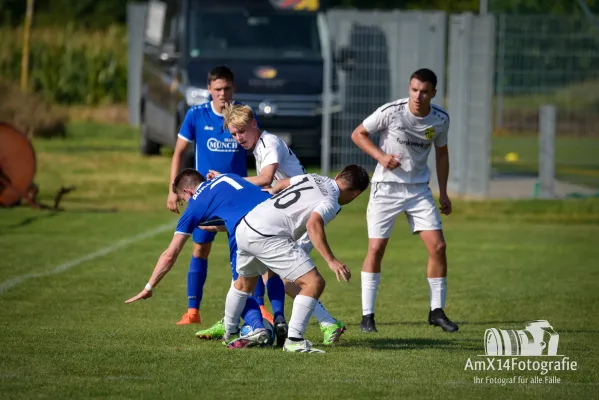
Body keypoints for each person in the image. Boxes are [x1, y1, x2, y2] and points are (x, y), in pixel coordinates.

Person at [203, 103, 347, 346]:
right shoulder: (260, 146)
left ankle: (319, 324)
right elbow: (267, 191)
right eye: (234, 134)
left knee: (292, 279)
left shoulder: (269, 144)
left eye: (241, 132)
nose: (238, 138)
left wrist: (228, 180)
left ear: (253, 125)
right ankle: (260, 320)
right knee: (273, 274)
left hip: (298, 220)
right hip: (285, 219)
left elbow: (266, 179)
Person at [350, 68, 458, 333]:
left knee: (439, 247)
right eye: (414, 90)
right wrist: (381, 157)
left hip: (419, 190)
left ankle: (436, 311)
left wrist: (443, 192)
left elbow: (442, 155)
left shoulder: (440, 119)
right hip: (386, 188)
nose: (418, 96)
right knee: (376, 249)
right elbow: (358, 134)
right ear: (409, 88)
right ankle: (367, 316)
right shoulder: (392, 111)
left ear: (433, 92)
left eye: (423, 92)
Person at [165, 65, 273, 325]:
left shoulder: (241, 115)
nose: (222, 93)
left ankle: (259, 308)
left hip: (238, 198)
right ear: (209, 89)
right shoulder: (196, 115)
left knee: (251, 252)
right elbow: (179, 152)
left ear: (232, 88)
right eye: (217, 89)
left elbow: (259, 149)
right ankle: (193, 311)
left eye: (226, 88)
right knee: (200, 249)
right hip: (208, 199)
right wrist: (172, 190)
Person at [222, 165, 370, 353]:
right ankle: (294, 341)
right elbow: (313, 224)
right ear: (356, 194)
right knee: (314, 283)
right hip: (269, 235)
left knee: (243, 284)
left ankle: (230, 333)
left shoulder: (315, 177)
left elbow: (280, 184)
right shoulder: (331, 200)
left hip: (247, 225)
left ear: (339, 174)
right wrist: (331, 260)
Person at [126, 170, 277, 347]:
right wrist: (220, 226)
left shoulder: (195, 204)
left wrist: (149, 286)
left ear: (189, 192)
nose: (186, 203)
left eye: (184, 199)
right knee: (299, 278)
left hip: (247, 231)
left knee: (239, 289)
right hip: (275, 216)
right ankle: (294, 326)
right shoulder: (225, 178)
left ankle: (250, 329)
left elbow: (170, 254)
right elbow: (240, 203)